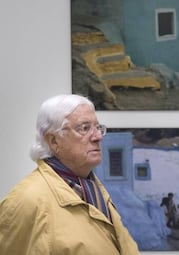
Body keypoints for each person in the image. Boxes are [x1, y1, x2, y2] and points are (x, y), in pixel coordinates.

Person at [0, 94, 140, 255]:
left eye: (98, 127)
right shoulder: (26, 200)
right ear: (54, 141)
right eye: (84, 128)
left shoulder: (90, 188)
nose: (98, 137)